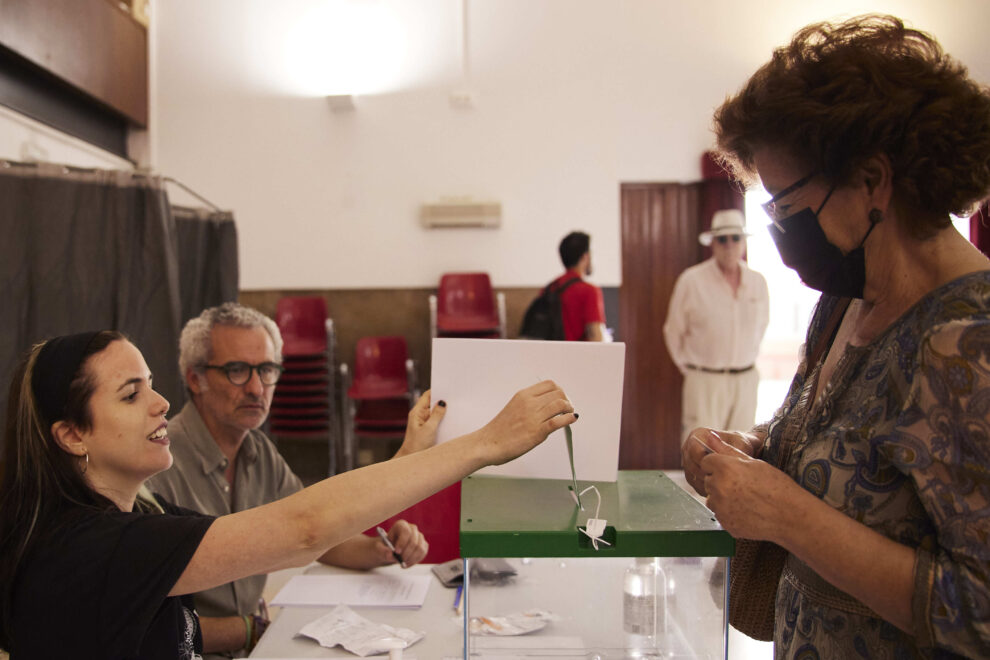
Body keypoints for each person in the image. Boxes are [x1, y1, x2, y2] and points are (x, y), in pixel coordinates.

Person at [681, 14, 990, 657]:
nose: (777, 230)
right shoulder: (845, 301)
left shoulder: (969, 338)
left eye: (786, 208)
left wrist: (785, 513)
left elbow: (979, 611)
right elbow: (834, 440)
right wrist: (753, 449)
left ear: (872, 180)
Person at [0, 331, 575, 658]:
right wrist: (485, 444)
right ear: (72, 435)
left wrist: (412, 458)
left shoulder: (139, 512)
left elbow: (293, 536)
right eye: (131, 395)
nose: (159, 404)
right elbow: (304, 528)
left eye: (152, 385)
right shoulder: (91, 547)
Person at [145, 303, 438, 658]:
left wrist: (380, 550)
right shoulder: (158, 466)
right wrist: (249, 630)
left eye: (267, 370)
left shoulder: (259, 451)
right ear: (196, 378)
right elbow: (146, 622)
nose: (257, 388)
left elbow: (318, 533)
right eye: (237, 370)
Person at [663, 208, 770, 435]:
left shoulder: (757, 282)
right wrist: (692, 369)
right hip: (704, 380)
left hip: (746, 380)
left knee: (742, 450)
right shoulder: (692, 280)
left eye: (735, 238)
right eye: (722, 239)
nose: (729, 244)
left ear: (743, 241)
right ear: (713, 243)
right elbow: (673, 331)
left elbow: (762, 326)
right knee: (702, 450)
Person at [553, 231, 608, 341]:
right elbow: (596, 337)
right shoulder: (589, 291)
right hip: (579, 356)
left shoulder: (550, 288)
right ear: (585, 256)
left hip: (551, 356)